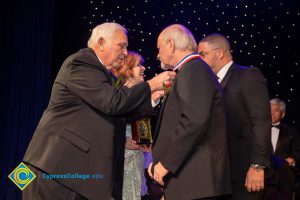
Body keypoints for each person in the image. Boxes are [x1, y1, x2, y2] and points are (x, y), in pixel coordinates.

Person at [22, 22, 175, 200]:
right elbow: (111, 103)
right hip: (54, 170)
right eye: (122, 46)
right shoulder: (81, 62)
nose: (125, 52)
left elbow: (119, 114)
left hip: (72, 177)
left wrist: (153, 97)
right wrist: (152, 84)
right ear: (101, 43)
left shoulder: (106, 75)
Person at [149, 24, 231, 200]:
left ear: (171, 44)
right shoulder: (191, 69)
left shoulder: (193, 69)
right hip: (191, 180)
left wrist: (166, 164)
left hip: (196, 181)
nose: (157, 54)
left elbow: (194, 120)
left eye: (159, 47)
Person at [198, 33, 271, 200]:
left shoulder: (247, 76)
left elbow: (261, 121)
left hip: (244, 172)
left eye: (203, 54)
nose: (199, 60)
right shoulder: (208, 83)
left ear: (220, 53)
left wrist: (257, 166)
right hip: (218, 174)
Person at [112, 51, 162, 200]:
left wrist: (146, 143)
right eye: (138, 65)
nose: (143, 68)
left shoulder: (140, 96)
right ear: (127, 70)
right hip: (120, 166)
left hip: (137, 162)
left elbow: (140, 124)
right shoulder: (117, 95)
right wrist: (121, 141)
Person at [262, 98, 300, 199]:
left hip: (284, 176)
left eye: (276, 111)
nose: (272, 113)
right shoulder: (258, 130)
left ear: (282, 114)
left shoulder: (291, 132)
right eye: (270, 110)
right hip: (263, 174)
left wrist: (293, 160)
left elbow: (297, 152)